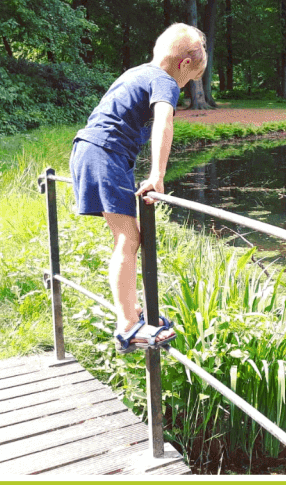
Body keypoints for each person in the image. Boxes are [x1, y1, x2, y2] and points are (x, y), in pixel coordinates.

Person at [69, 23, 208, 352]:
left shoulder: (136, 72)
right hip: (106, 152)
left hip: (90, 148)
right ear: (184, 64)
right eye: (188, 81)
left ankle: (132, 312)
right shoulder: (163, 80)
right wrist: (157, 174)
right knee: (128, 238)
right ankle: (128, 326)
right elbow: (164, 120)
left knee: (127, 236)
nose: (184, 86)